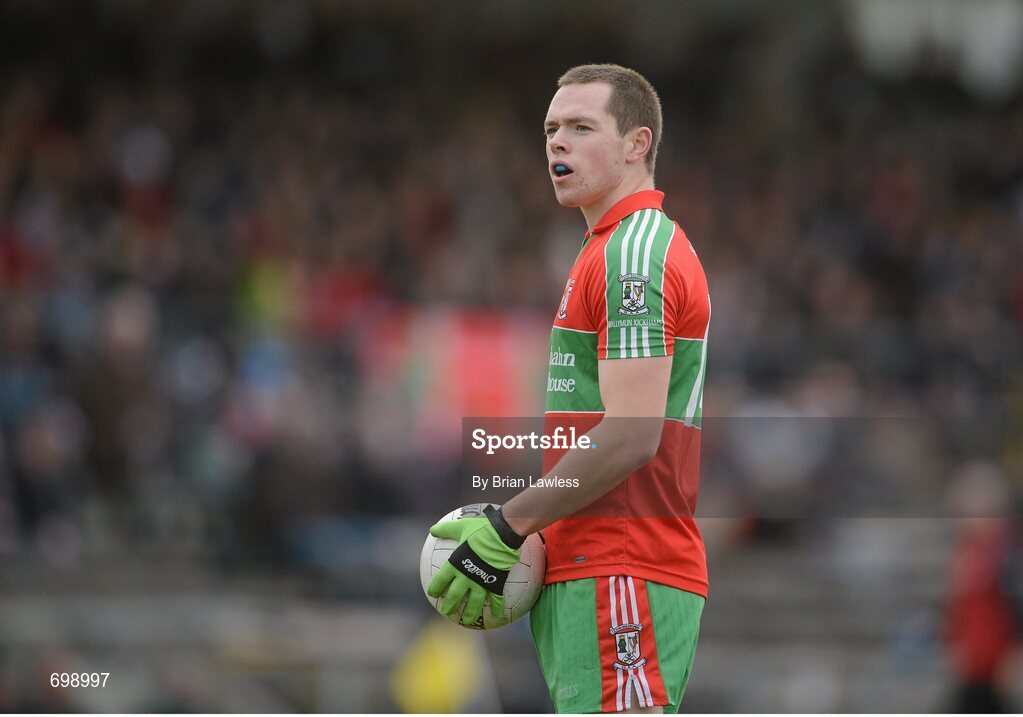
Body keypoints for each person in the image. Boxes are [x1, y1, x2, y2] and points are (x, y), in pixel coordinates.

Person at [428, 64, 710, 714]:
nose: (557, 142)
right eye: (552, 129)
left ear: (636, 144)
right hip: (591, 565)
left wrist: (508, 522)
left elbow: (632, 433)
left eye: (581, 127)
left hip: (622, 563)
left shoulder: (632, 253)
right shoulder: (601, 248)